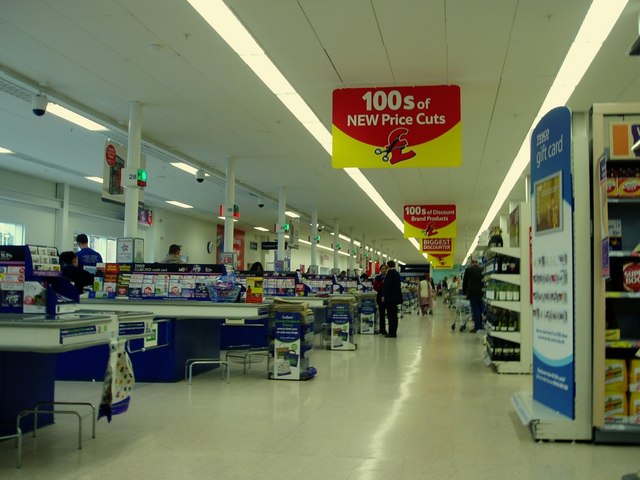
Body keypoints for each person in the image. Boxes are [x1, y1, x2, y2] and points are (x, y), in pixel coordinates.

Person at [381, 260, 403, 337]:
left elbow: (387, 286)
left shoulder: (390, 273)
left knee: (391, 316)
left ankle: (391, 333)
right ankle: (394, 332)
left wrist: (384, 296)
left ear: (388, 266)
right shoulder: (397, 273)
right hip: (396, 298)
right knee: (394, 315)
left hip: (390, 299)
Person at [462, 257, 484, 332]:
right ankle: (481, 325)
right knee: (481, 309)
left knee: (475, 309)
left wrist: (464, 292)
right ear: (477, 262)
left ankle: (477, 326)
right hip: (481, 292)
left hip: (472, 292)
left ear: (471, 263)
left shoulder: (468, 270)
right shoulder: (482, 269)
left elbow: (465, 282)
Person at [373, 264, 388, 335]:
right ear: (380, 270)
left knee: (389, 314)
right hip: (380, 297)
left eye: (385, 268)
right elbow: (375, 287)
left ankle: (390, 330)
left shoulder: (389, 277)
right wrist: (382, 283)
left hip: (388, 297)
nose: (384, 270)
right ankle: (382, 330)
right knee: (381, 314)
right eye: (382, 269)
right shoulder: (378, 278)